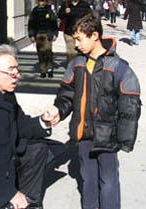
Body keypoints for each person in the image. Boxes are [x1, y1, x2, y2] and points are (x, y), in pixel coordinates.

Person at [46, 13, 141, 209]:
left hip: (108, 137)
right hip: (83, 135)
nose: (77, 45)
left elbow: (129, 106)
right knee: (88, 179)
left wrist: (124, 139)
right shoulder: (76, 64)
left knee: (108, 181)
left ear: (95, 35)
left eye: (80, 39)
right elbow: (66, 95)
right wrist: (58, 111)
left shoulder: (118, 67)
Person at [0, 44, 57, 209]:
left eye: (17, 69)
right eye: (11, 71)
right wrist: (8, 192)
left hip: (5, 163)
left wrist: (44, 120)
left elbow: (23, 125)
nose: (17, 75)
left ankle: (30, 203)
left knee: (39, 148)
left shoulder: (7, 96)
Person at [28, 0, 58, 78]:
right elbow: (31, 23)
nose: (42, 3)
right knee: (41, 53)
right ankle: (43, 70)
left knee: (48, 52)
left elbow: (54, 22)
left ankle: (49, 69)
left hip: (48, 34)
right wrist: (31, 35)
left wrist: (55, 33)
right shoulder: (35, 11)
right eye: (41, 1)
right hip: (38, 34)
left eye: (44, 1)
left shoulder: (49, 10)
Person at [58, 0, 92, 64]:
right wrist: (65, 12)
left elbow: (88, 14)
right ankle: (71, 68)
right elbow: (60, 15)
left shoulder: (84, 4)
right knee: (71, 52)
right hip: (69, 32)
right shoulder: (66, 3)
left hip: (81, 32)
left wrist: (71, 11)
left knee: (82, 50)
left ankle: (81, 66)